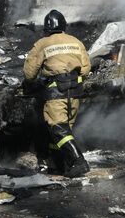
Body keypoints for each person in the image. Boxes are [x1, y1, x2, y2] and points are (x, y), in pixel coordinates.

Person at [23, 9, 91, 178]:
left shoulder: (42, 43)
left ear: (46, 28)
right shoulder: (76, 42)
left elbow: (29, 73)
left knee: (58, 128)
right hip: (75, 92)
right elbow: (86, 68)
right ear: (63, 26)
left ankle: (79, 161)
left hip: (55, 93)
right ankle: (59, 165)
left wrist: (33, 83)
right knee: (63, 130)